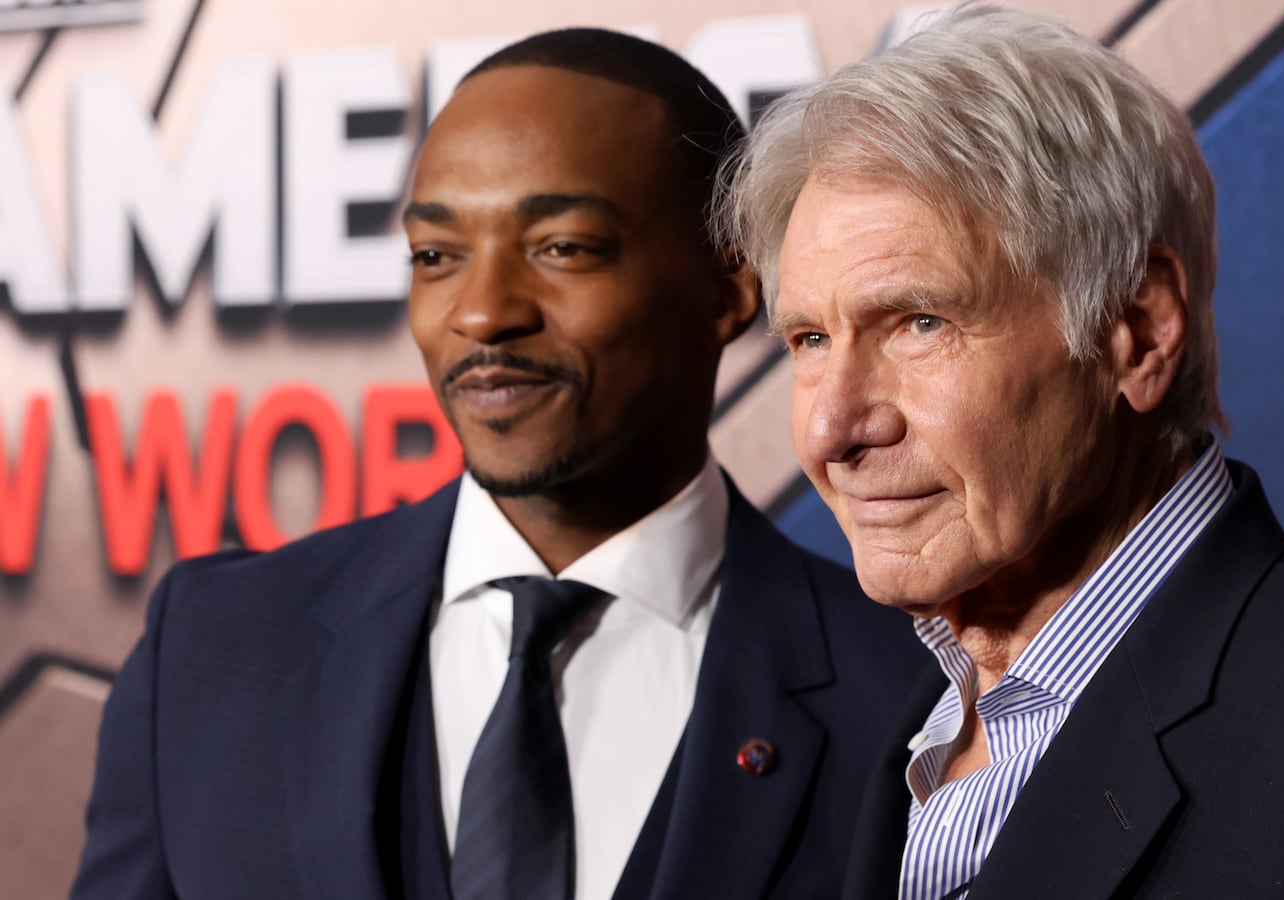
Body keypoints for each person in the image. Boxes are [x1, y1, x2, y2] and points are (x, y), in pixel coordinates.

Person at [718, 6, 1284, 898]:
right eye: (809, 341)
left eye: (919, 323)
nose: (833, 430)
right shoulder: (921, 722)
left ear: (1137, 332)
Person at [73, 28, 924, 900]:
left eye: (562, 247)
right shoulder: (213, 649)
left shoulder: (916, 695)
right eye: (436, 256)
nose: (482, 313)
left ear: (733, 287)